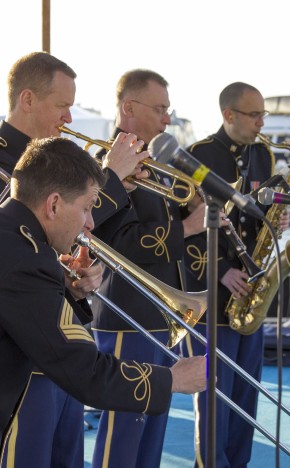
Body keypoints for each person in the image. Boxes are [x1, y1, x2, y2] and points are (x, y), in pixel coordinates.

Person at [0, 137, 207, 468]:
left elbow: (3, 319)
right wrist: (172, 379)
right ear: (54, 204)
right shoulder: (22, 261)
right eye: (87, 208)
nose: (90, 223)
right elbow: (84, 373)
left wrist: (68, 294)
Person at [0, 51, 147, 468]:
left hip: (63, 345)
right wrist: (110, 177)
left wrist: (75, 279)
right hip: (21, 360)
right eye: (62, 106)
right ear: (27, 99)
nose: (69, 118)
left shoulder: (55, 159)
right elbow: (12, 242)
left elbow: (49, 254)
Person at [89, 69, 207, 468]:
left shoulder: (151, 163)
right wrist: (188, 227)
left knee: (152, 420)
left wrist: (192, 213)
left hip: (157, 312)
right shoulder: (102, 166)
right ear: (128, 108)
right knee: (124, 425)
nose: (167, 119)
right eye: (159, 109)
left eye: (167, 110)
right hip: (125, 313)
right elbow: (116, 242)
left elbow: (159, 235)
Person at [181, 82, 290, 467]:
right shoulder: (197, 156)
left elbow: (256, 216)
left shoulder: (264, 156)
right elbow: (184, 227)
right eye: (254, 114)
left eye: (263, 114)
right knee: (215, 397)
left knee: (246, 394)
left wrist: (275, 223)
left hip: (251, 290)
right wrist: (221, 270)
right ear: (229, 115)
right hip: (213, 294)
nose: (262, 122)